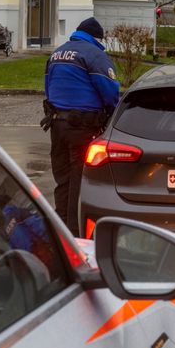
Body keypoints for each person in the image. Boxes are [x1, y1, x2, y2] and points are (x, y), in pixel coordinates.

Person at [41, 17, 120, 233]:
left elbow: (48, 87)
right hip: (81, 127)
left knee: (63, 179)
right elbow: (110, 91)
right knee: (79, 180)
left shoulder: (57, 53)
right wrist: (114, 114)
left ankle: (60, 229)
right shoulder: (94, 54)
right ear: (97, 38)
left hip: (57, 125)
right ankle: (75, 234)